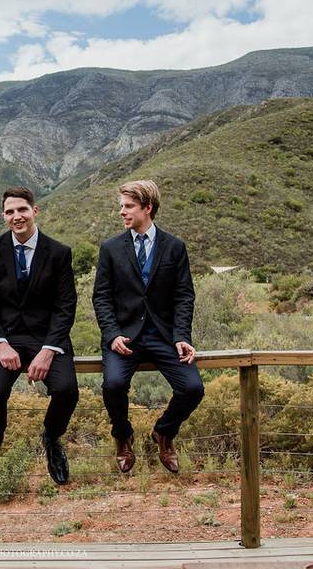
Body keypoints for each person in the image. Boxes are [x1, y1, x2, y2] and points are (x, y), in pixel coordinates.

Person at [92, 180, 202, 474]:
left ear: (147, 208)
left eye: (128, 206)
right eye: (122, 206)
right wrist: (112, 334)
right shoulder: (111, 248)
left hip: (164, 337)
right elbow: (101, 297)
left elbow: (184, 295)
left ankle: (164, 432)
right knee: (113, 385)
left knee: (192, 388)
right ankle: (123, 435)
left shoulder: (175, 247)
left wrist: (181, 336)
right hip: (124, 337)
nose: (121, 212)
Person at [0, 187, 79, 485]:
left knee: (68, 390)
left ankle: (52, 438)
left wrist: (48, 350)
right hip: (2, 339)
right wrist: (0, 342)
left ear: (35, 210)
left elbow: (66, 304)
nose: (16, 216)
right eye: (9, 212)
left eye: (22, 210)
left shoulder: (59, 252)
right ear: (3, 216)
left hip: (47, 338)